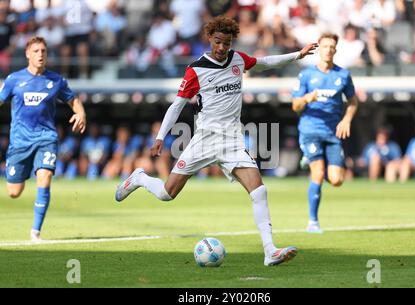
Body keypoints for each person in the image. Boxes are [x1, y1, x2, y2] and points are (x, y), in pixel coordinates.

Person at [115, 16, 318, 267]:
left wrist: (297, 54)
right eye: (218, 42)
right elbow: (176, 106)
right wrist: (160, 137)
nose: (222, 48)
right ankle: (140, 179)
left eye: (227, 43)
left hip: (232, 140)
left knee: (259, 190)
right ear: (210, 39)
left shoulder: (238, 59)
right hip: (204, 140)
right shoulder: (196, 69)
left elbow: (264, 63)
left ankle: (270, 251)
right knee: (168, 194)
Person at [0, 36, 86, 241]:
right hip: (19, 142)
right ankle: (23, 174)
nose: (40, 55)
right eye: (36, 51)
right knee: (14, 192)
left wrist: (81, 113)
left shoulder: (56, 80)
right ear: (27, 54)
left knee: (45, 177)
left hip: (46, 138)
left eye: (44, 51)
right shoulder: (14, 80)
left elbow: (73, 101)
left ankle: (35, 232)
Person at [292, 33, 359, 234]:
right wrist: (306, 99)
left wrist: (346, 119)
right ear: (319, 49)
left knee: (337, 180)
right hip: (310, 130)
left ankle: (311, 160)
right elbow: (295, 106)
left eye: (332, 47)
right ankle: (313, 222)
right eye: (325, 46)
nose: (328, 50)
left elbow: (353, 102)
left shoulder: (343, 75)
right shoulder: (306, 75)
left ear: (335, 50)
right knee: (318, 174)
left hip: (332, 133)